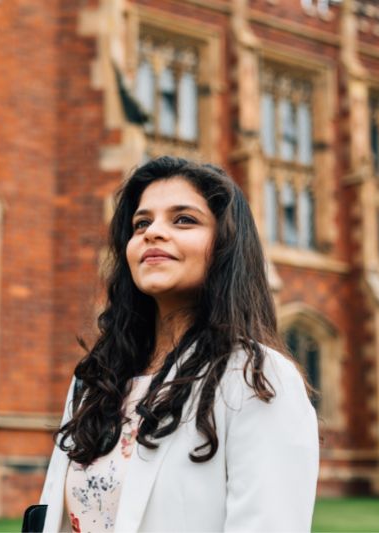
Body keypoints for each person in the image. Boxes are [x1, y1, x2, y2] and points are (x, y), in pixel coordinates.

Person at [38, 157, 319, 532]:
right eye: (142, 223)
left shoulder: (257, 379)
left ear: (225, 244)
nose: (153, 232)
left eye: (183, 219)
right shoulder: (96, 380)